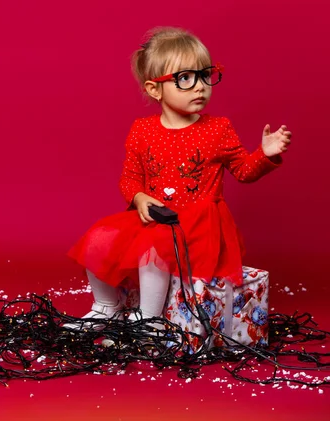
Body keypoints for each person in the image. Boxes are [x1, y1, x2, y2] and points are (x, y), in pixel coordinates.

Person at [66, 27, 292, 328]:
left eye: (205, 75)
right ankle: (106, 306)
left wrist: (264, 154)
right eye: (185, 79)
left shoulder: (218, 129)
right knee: (99, 238)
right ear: (154, 89)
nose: (200, 87)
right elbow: (129, 179)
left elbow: (243, 171)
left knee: (155, 245)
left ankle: (150, 320)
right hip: (156, 218)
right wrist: (140, 197)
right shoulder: (142, 130)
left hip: (199, 224)